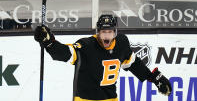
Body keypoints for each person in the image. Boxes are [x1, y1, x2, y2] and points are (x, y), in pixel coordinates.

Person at [34, 14, 172, 101]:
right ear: (98, 33)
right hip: (84, 99)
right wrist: (49, 43)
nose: (106, 36)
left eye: (110, 32)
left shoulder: (122, 44)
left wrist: (154, 78)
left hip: (110, 99)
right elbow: (65, 53)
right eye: (103, 32)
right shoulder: (86, 46)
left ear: (115, 32)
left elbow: (133, 64)